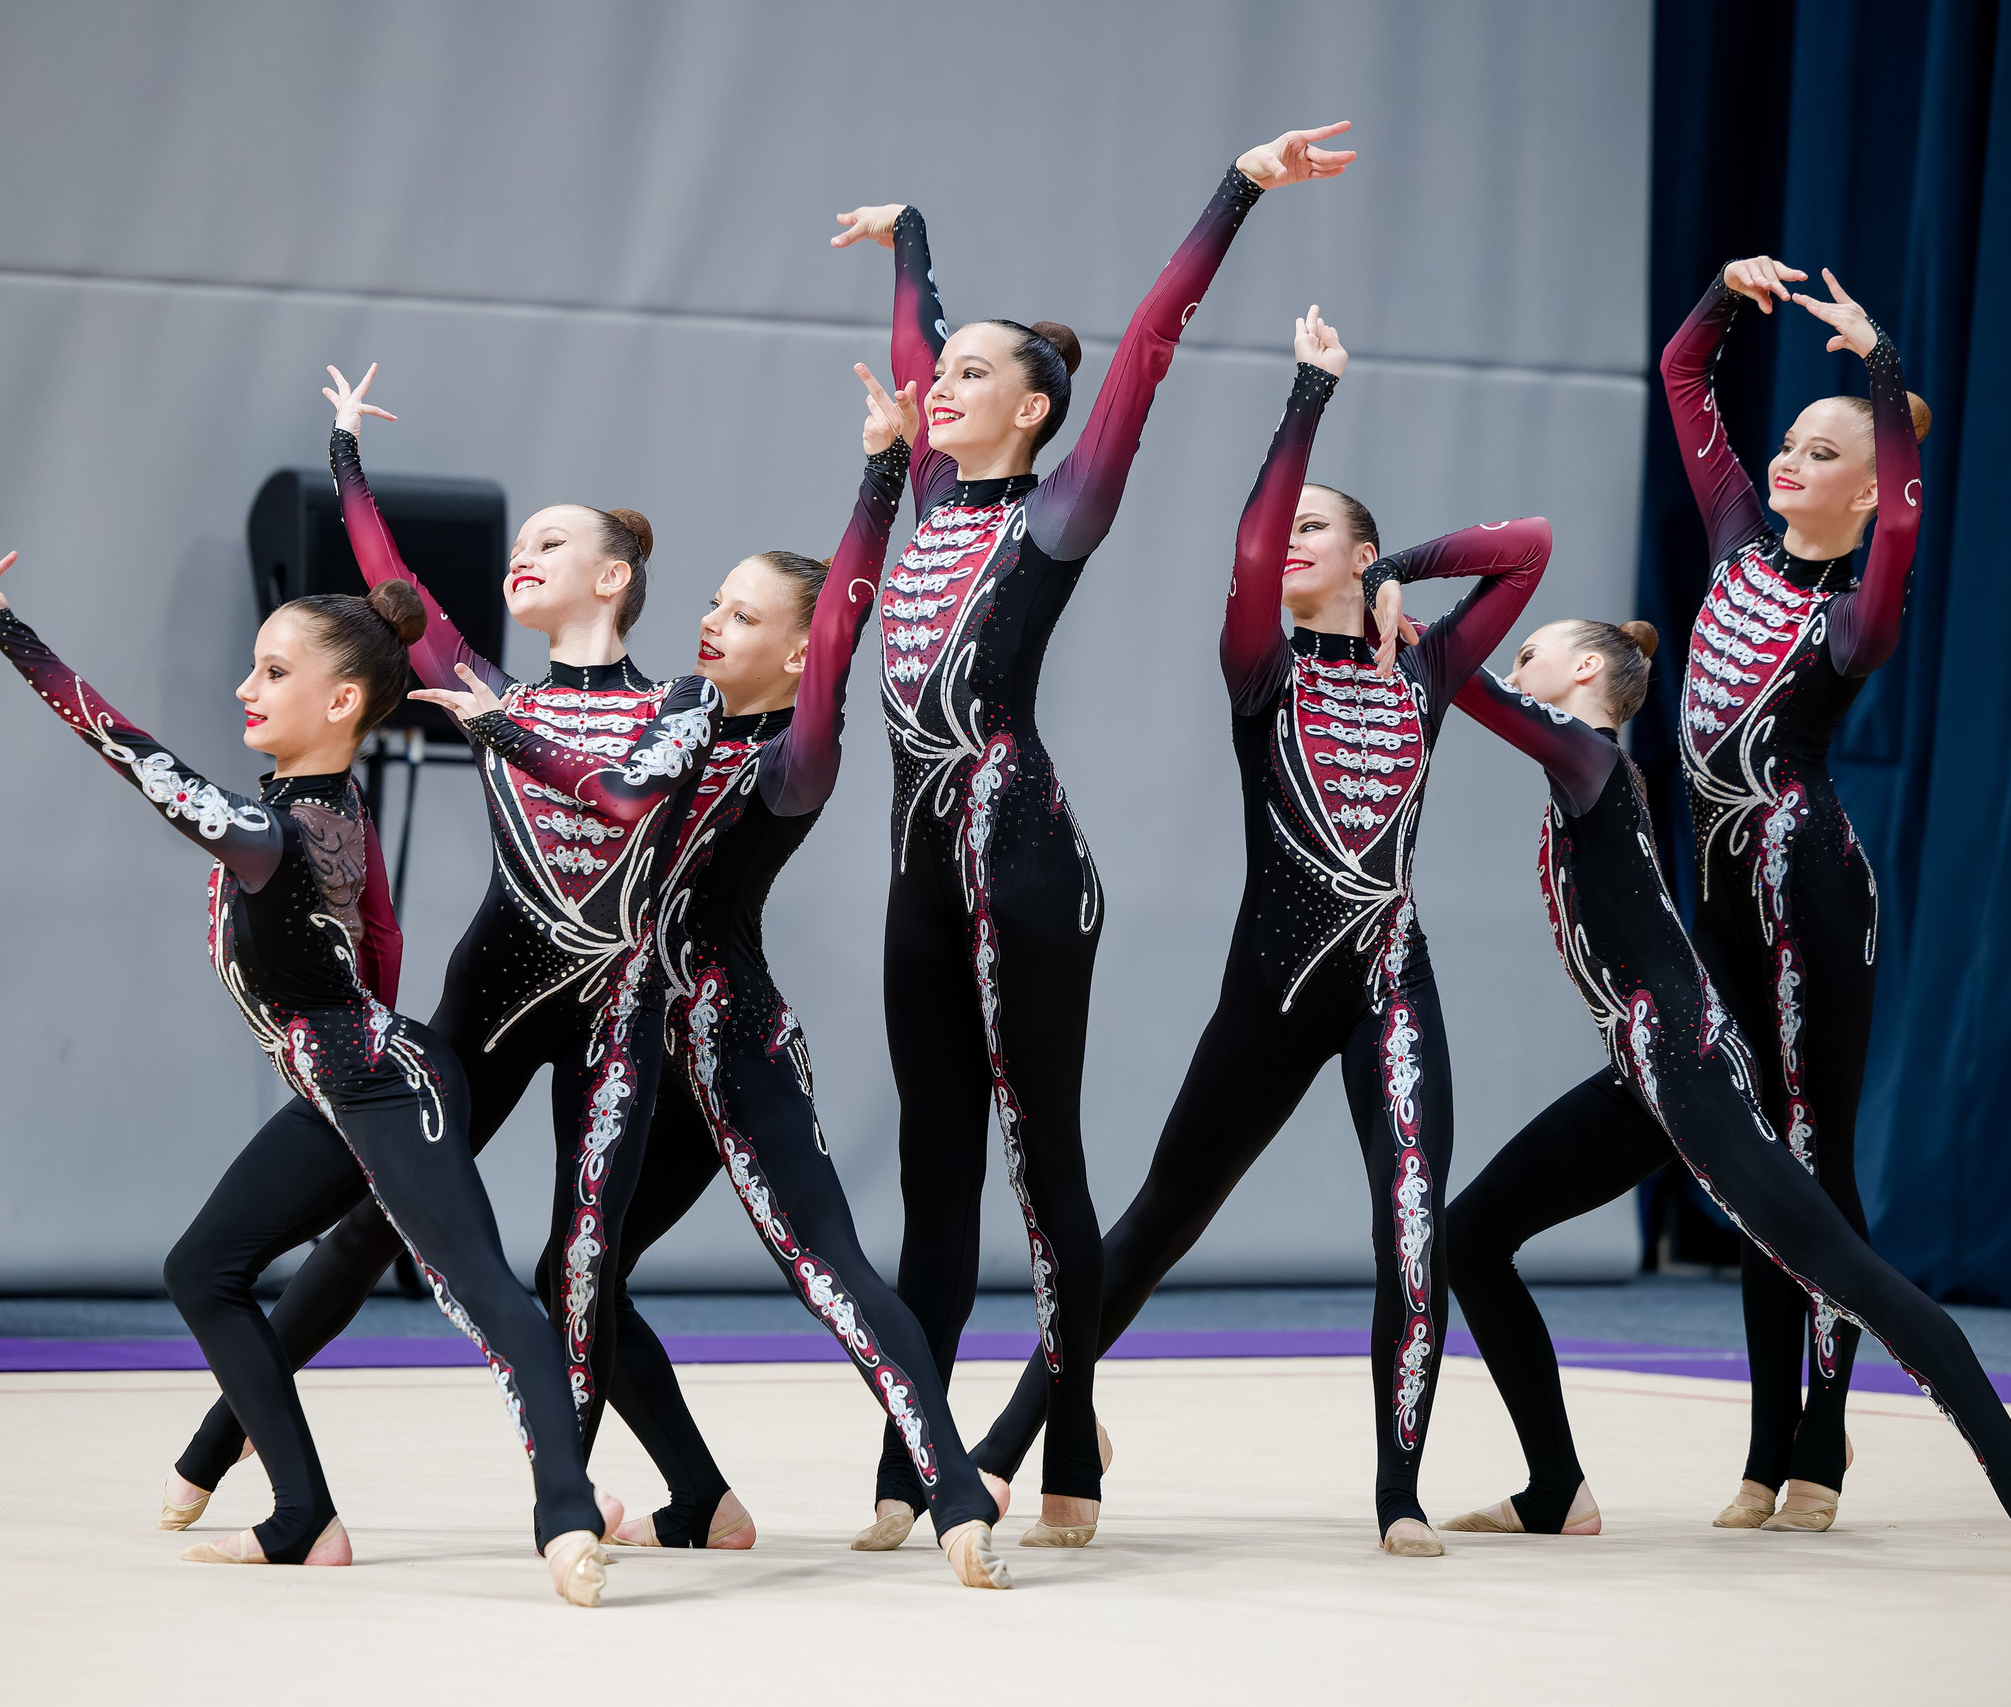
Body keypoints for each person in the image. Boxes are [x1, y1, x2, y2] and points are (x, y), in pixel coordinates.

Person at [0, 532, 621, 1604]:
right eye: (253, 664)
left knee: (479, 1293)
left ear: (340, 705)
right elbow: (378, 944)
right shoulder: (329, 813)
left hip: (380, 1086)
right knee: (206, 1270)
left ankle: (564, 1515)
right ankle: (300, 1517)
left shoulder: (264, 831)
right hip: (356, 1085)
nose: (244, 686)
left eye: (274, 672)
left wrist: (0, 624)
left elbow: (127, 748)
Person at [827, 122, 1355, 1549]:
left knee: (1038, 1163)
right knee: (932, 1170)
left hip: (1026, 865)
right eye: (949, 372)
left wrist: (1240, 187)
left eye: (976, 376)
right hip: (916, 875)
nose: (942, 386)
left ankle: (1068, 1440)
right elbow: (912, 329)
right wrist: (914, 237)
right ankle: (916, 1457)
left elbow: (1152, 345)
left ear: (1037, 413)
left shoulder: (1062, 506)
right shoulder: (930, 493)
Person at [965, 309, 1547, 1554]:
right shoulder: (1262, 668)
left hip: (1391, 975)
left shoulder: (1426, 669)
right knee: (1157, 1222)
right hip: (1271, 987)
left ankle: (1396, 1495)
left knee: (1411, 1218)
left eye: (1317, 532)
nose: (1287, 544)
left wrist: (1408, 575)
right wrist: (1306, 397)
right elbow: (1245, 537)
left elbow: (1526, 552)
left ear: (1367, 555)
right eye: (1287, 533)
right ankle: (1014, 1439)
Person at [1435, 617, 2011, 1579]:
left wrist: (1403, 617)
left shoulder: (1588, 757)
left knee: (1849, 1272)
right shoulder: (1576, 768)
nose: (1514, 662)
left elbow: (1486, 681)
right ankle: (1556, 1486)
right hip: (1642, 1075)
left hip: (1693, 1069)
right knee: (1470, 1236)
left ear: (1584, 669)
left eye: (1530, 650)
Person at [162, 366, 720, 1518]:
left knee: (580, 1265)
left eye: (552, 542)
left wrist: (505, 721)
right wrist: (345, 455)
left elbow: (623, 800)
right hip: (499, 990)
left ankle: (673, 1494)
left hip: (619, 1002)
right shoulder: (474, 677)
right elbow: (391, 597)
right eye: (520, 542)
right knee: (372, 1221)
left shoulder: (677, 702)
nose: (524, 553)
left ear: (614, 575)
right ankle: (222, 1454)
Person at [595, 365, 1009, 1590]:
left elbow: (844, 630)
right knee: (576, 1282)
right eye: (711, 603)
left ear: (795, 647)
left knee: (826, 1263)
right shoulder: (672, 709)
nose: (711, 623)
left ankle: (950, 1486)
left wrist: (883, 473)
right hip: (645, 1051)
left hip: (734, 1039)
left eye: (742, 613)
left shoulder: (797, 754)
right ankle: (700, 1496)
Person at [1661, 258, 1929, 1530]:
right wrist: (1723, 292)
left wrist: (1878, 371)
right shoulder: (1731, 545)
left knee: (1815, 1161)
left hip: (1809, 897)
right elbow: (1682, 374)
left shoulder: (1855, 615)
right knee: (1749, 1172)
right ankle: (1763, 1450)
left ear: (1868, 487)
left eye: (1821, 453)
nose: (1785, 460)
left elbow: (1906, 528)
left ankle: (1817, 1445)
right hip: (1714, 895)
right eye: (1786, 441)